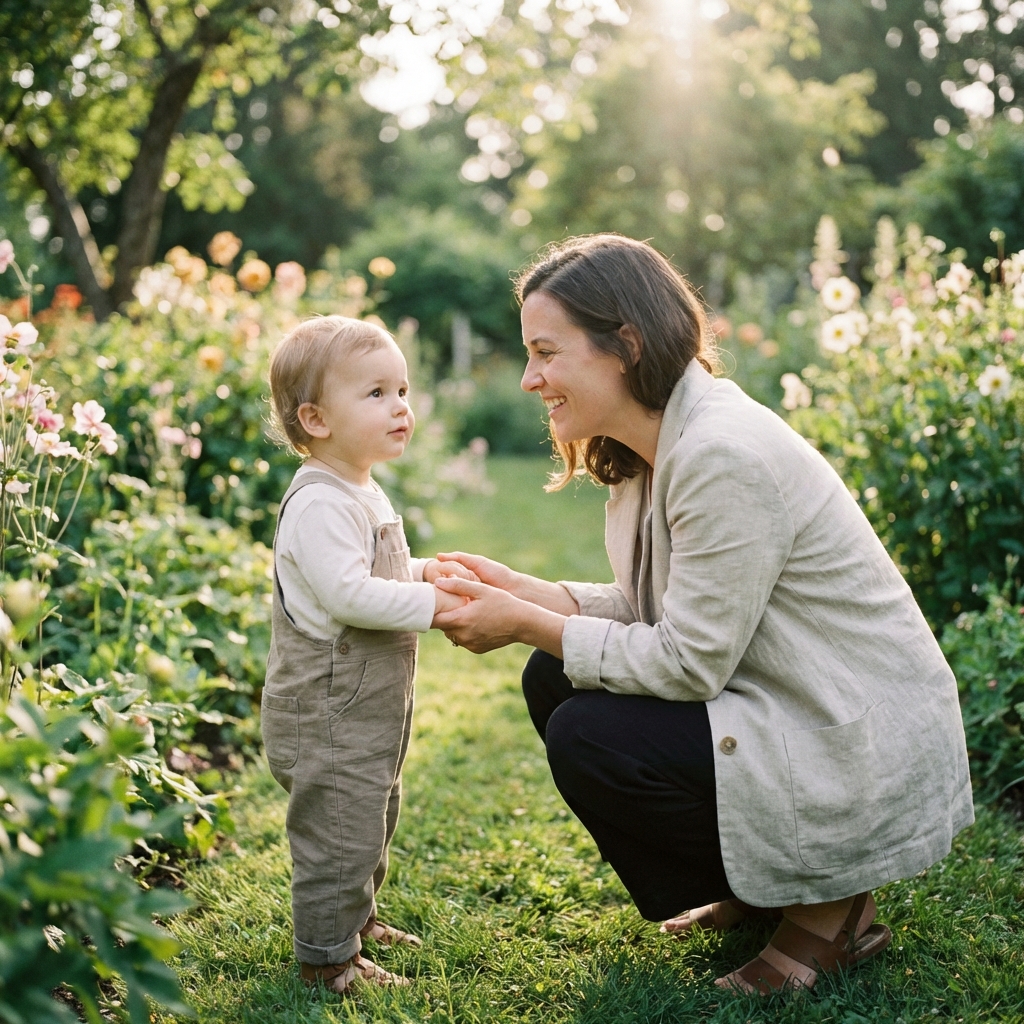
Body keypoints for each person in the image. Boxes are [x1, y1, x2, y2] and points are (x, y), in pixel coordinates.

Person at [432, 234, 974, 995]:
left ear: (624, 344)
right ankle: (764, 885)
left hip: (851, 732)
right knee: (555, 676)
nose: (529, 378)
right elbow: (655, 609)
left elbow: (688, 661)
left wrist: (522, 621)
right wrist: (526, 592)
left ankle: (833, 913)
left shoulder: (723, 453)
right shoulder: (647, 445)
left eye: (546, 352)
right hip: (781, 697)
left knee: (590, 730)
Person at [262, 315, 475, 993]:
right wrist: (435, 608)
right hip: (326, 712)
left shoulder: (359, 486)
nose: (402, 406)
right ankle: (326, 959)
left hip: (364, 707)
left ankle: (357, 920)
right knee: (337, 834)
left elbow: (380, 575)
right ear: (316, 418)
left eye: (404, 389)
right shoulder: (320, 502)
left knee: (371, 813)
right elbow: (350, 595)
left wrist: (427, 573)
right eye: (377, 392)